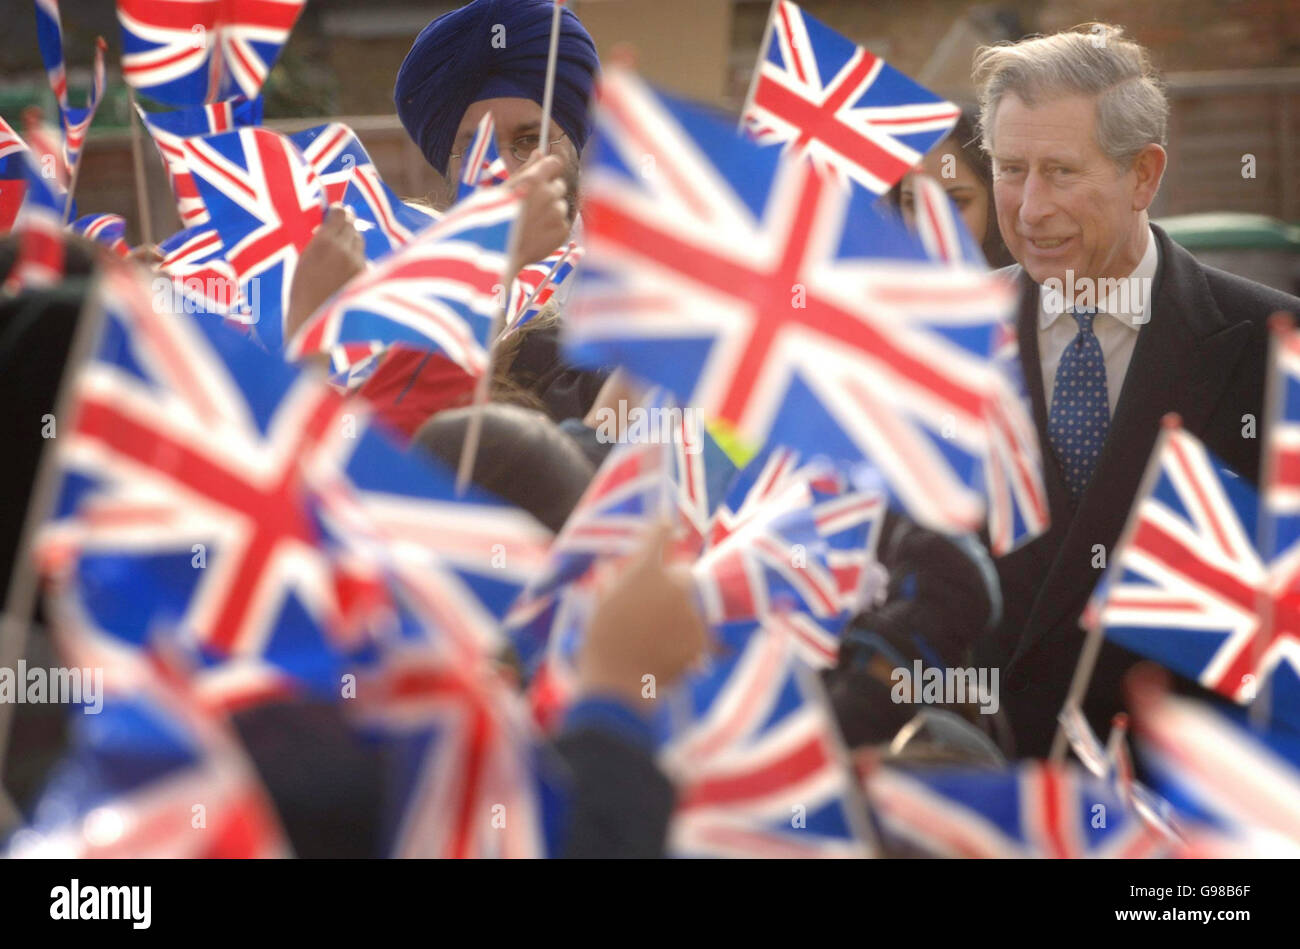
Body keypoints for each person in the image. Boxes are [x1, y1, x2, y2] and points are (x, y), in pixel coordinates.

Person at [969, 23, 1300, 757]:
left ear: (1144, 175)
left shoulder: (1276, 346)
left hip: (1189, 810)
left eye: (1060, 171)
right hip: (996, 798)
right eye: (1011, 169)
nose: (1028, 209)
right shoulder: (943, 337)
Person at [892, 110, 1014, 268]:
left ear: (993, 198)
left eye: (956, 202)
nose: (933, 221)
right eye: (913, 204)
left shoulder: (1039, 286)